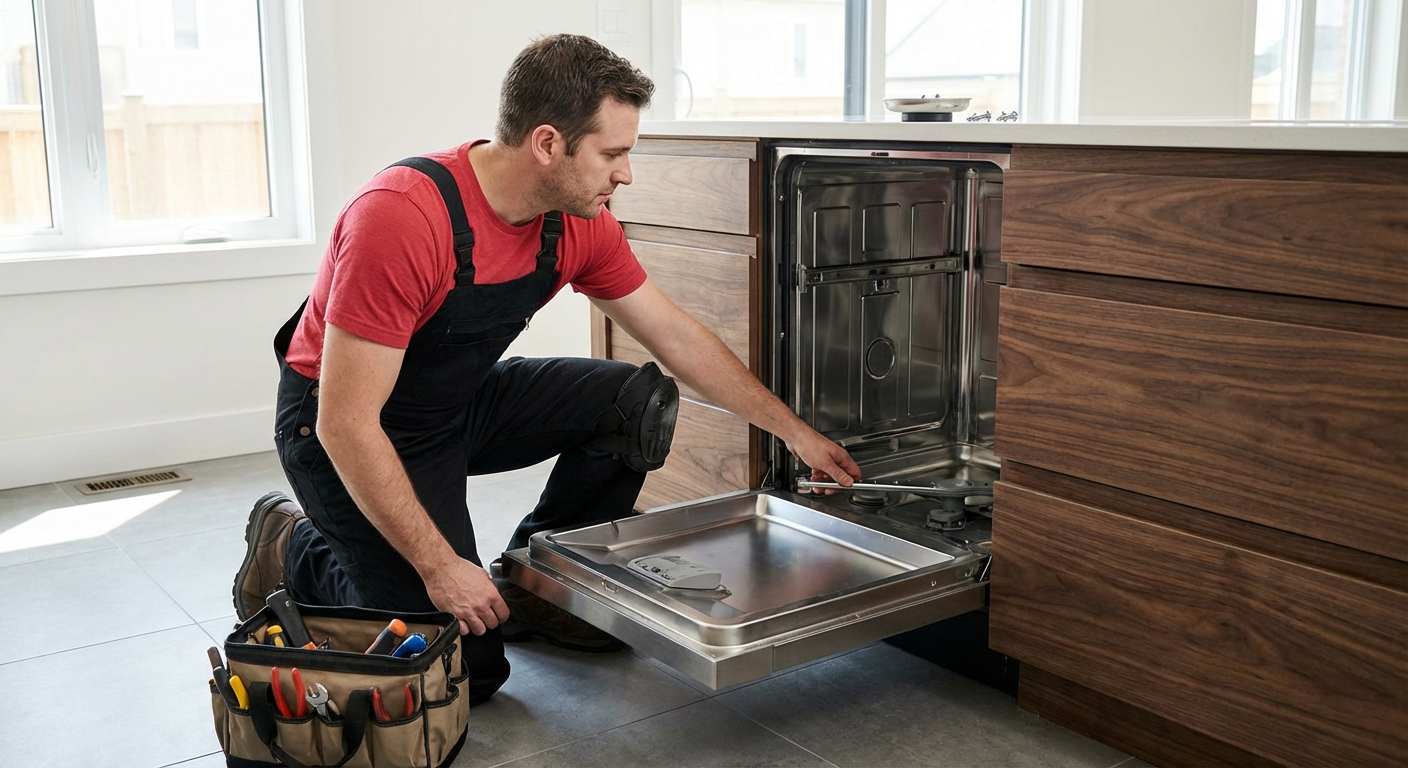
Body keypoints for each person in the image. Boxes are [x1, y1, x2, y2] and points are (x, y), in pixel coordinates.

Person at [232, 33, 860, 704]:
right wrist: (441, 566)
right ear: (547, 143)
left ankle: (529, 586)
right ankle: (292, 546)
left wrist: (793, 431)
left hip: (453, 405)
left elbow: (677, 338)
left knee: (634, 399)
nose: (626, 174)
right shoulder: (403, 218)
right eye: (612, 154)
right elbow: (345, 423)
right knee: (461, 670)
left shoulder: (576, 221)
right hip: (338, 430)